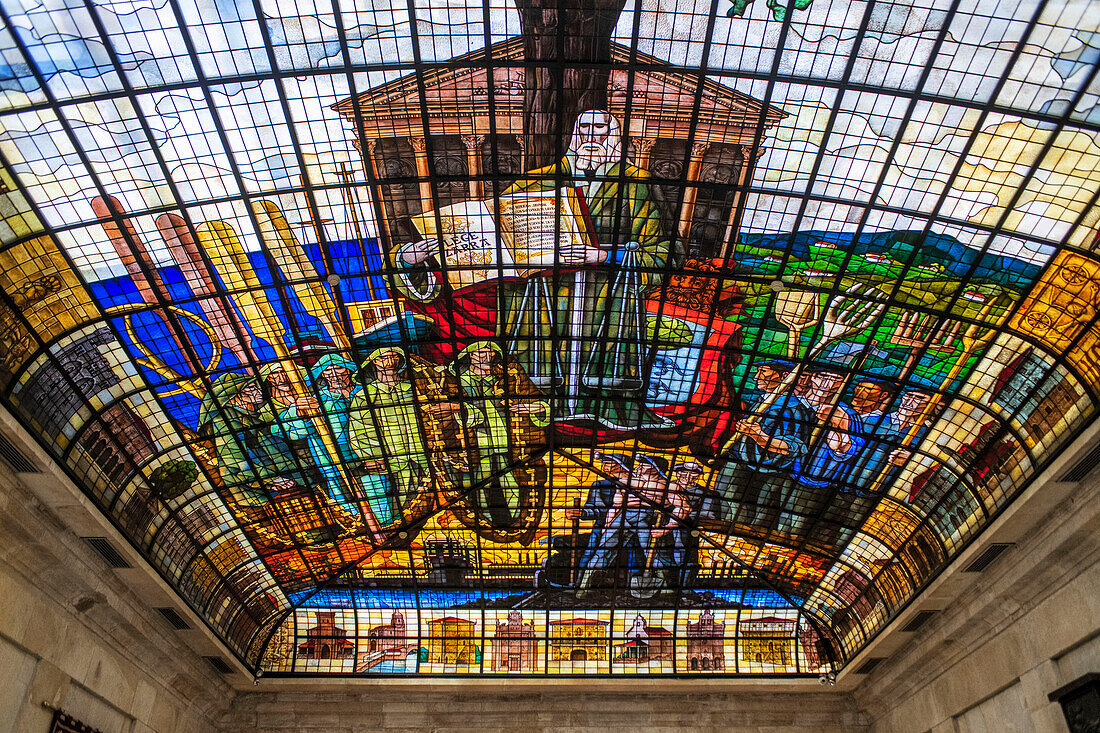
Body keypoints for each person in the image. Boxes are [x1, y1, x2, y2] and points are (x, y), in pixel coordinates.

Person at [396, 110, 681, 435]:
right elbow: (492, 235)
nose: (591, 137)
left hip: (605, 298)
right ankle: (546, 405)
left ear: (613, 136)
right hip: (542, 299)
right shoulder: (535, 180)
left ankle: (610, 407)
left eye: (600, 129)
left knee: (601, 355)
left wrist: (604, 254)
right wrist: (412, 255)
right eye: (583, 128)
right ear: (574, 134)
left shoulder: (636, 185)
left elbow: (666, 253)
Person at [348, 347, 461, 526]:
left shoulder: (416, 390)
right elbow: (359, 431)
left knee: (430, 503)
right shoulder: (364, 397)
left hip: (424, 456)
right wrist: (374, 455)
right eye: (384, 358)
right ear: (375, 362)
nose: (390, 361)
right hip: (393, 460)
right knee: (401, 506)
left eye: (394, 357)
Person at [449, 341, 549, 527]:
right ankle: (487, 525)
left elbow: (538, 400)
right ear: (470, 355)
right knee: (479, 490)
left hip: (508, 445)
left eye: (491, 353)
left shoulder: (508, 377)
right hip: (476, 449)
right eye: (482, 353)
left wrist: (533, 408)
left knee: (513, 487)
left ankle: (515, 524)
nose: (488, 357)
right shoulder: (455, 383)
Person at [711, 360, 813, 534]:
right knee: (726, 501)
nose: (756, 376)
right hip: (742, 463)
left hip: (765, 473)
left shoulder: (791, 410)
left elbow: (793, 447)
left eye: (763, 372)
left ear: (783, 377)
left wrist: (757, 435)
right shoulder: (764, 402)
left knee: (747, 516)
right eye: (758, 371)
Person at [198, 372, 307, 507]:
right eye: (251, 389)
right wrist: (272, 479)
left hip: (273, 479)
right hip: (256, 490)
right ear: (233, 397)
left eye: (255, 387)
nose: (258, 391)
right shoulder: (225, 419)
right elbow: (234, 456)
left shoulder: (248, 416)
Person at [274, 354, 362, 512]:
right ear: (322, 375)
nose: (333, 374)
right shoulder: (315, 401)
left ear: (348, 370)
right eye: (327, 371)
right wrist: (298, 412)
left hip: (371, 455)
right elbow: (291, 433)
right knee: (347, 504)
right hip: (333, 460)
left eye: (338, 368)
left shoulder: (367, 391)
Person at [576, 454, 669, 596]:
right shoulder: (627, 481)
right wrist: (608, 524)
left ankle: (666, 587)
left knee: (652, 552)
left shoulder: (667, 486)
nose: (639, 466)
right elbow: (616, 505)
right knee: (603, 551)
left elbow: (675, 507)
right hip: (624, 518)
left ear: (655, 469)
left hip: (645, 521)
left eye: (644, 464)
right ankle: (584, 587)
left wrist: (665, 525)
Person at [792, 367, 865, 545]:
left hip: (816, 483)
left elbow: (852, 448)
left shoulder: (848, 415)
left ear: (842, 384)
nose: (827, 384)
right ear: (812, 377)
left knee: (795, 530)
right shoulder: (793, 403)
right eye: (822, 376)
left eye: (835, 379)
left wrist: (839, 427)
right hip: (784, 473)